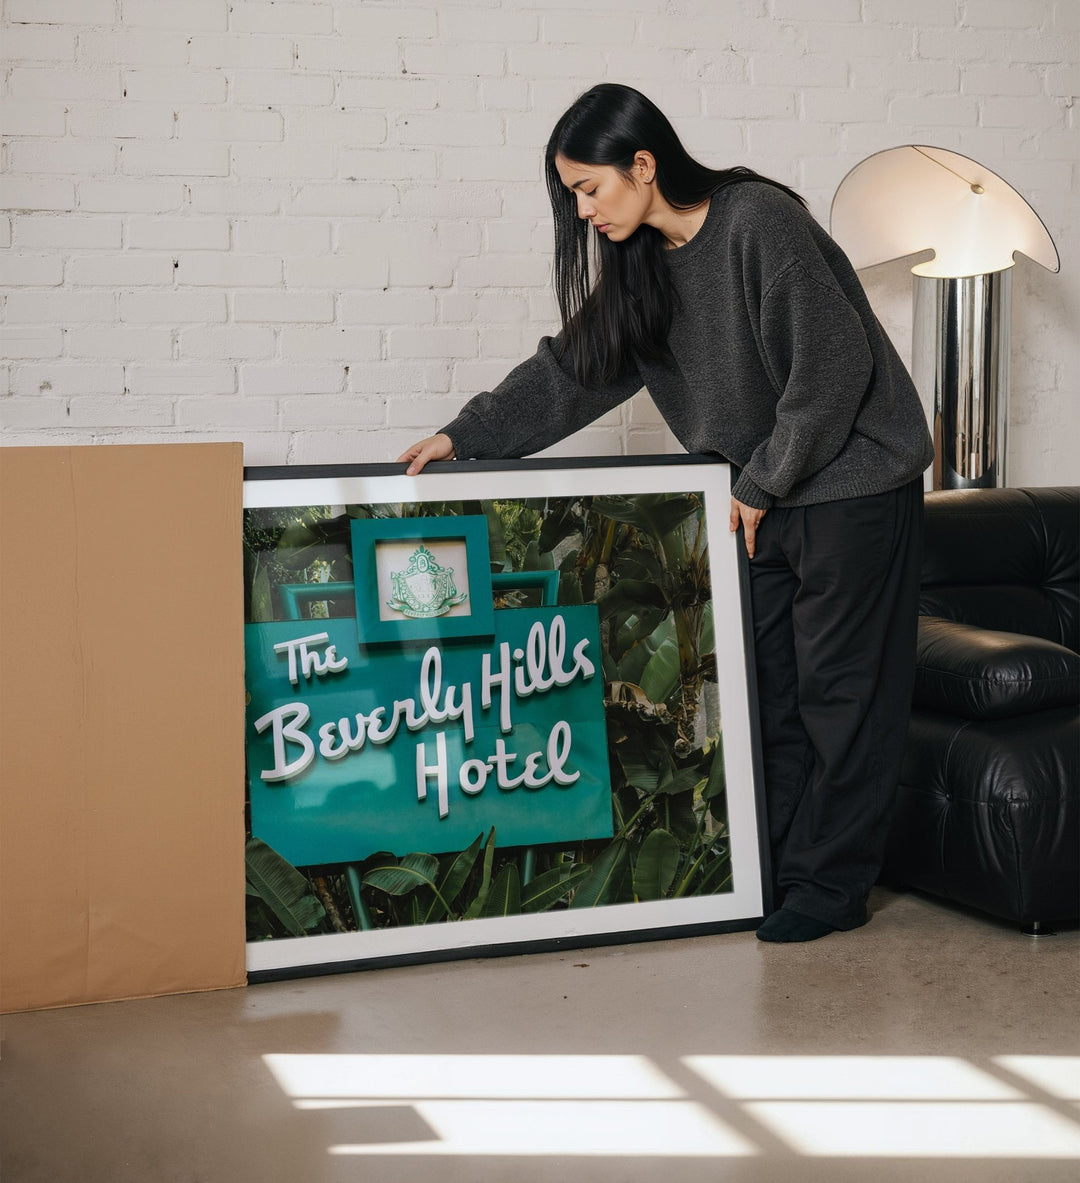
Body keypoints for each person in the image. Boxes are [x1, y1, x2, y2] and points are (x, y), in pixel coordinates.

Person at [399, 83, 934, 943]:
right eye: (572, 195)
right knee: (772, 696)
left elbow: (831, 370)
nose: (582, 213)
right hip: (763, 492)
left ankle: (829, 888)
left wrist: (762, 481)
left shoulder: (757, 221)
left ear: (643, 165)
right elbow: (573, 370)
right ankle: (781, 873)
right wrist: (467, 435)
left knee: (844, 695)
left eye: (590, 189)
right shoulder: (643, 264)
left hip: (851, 479)